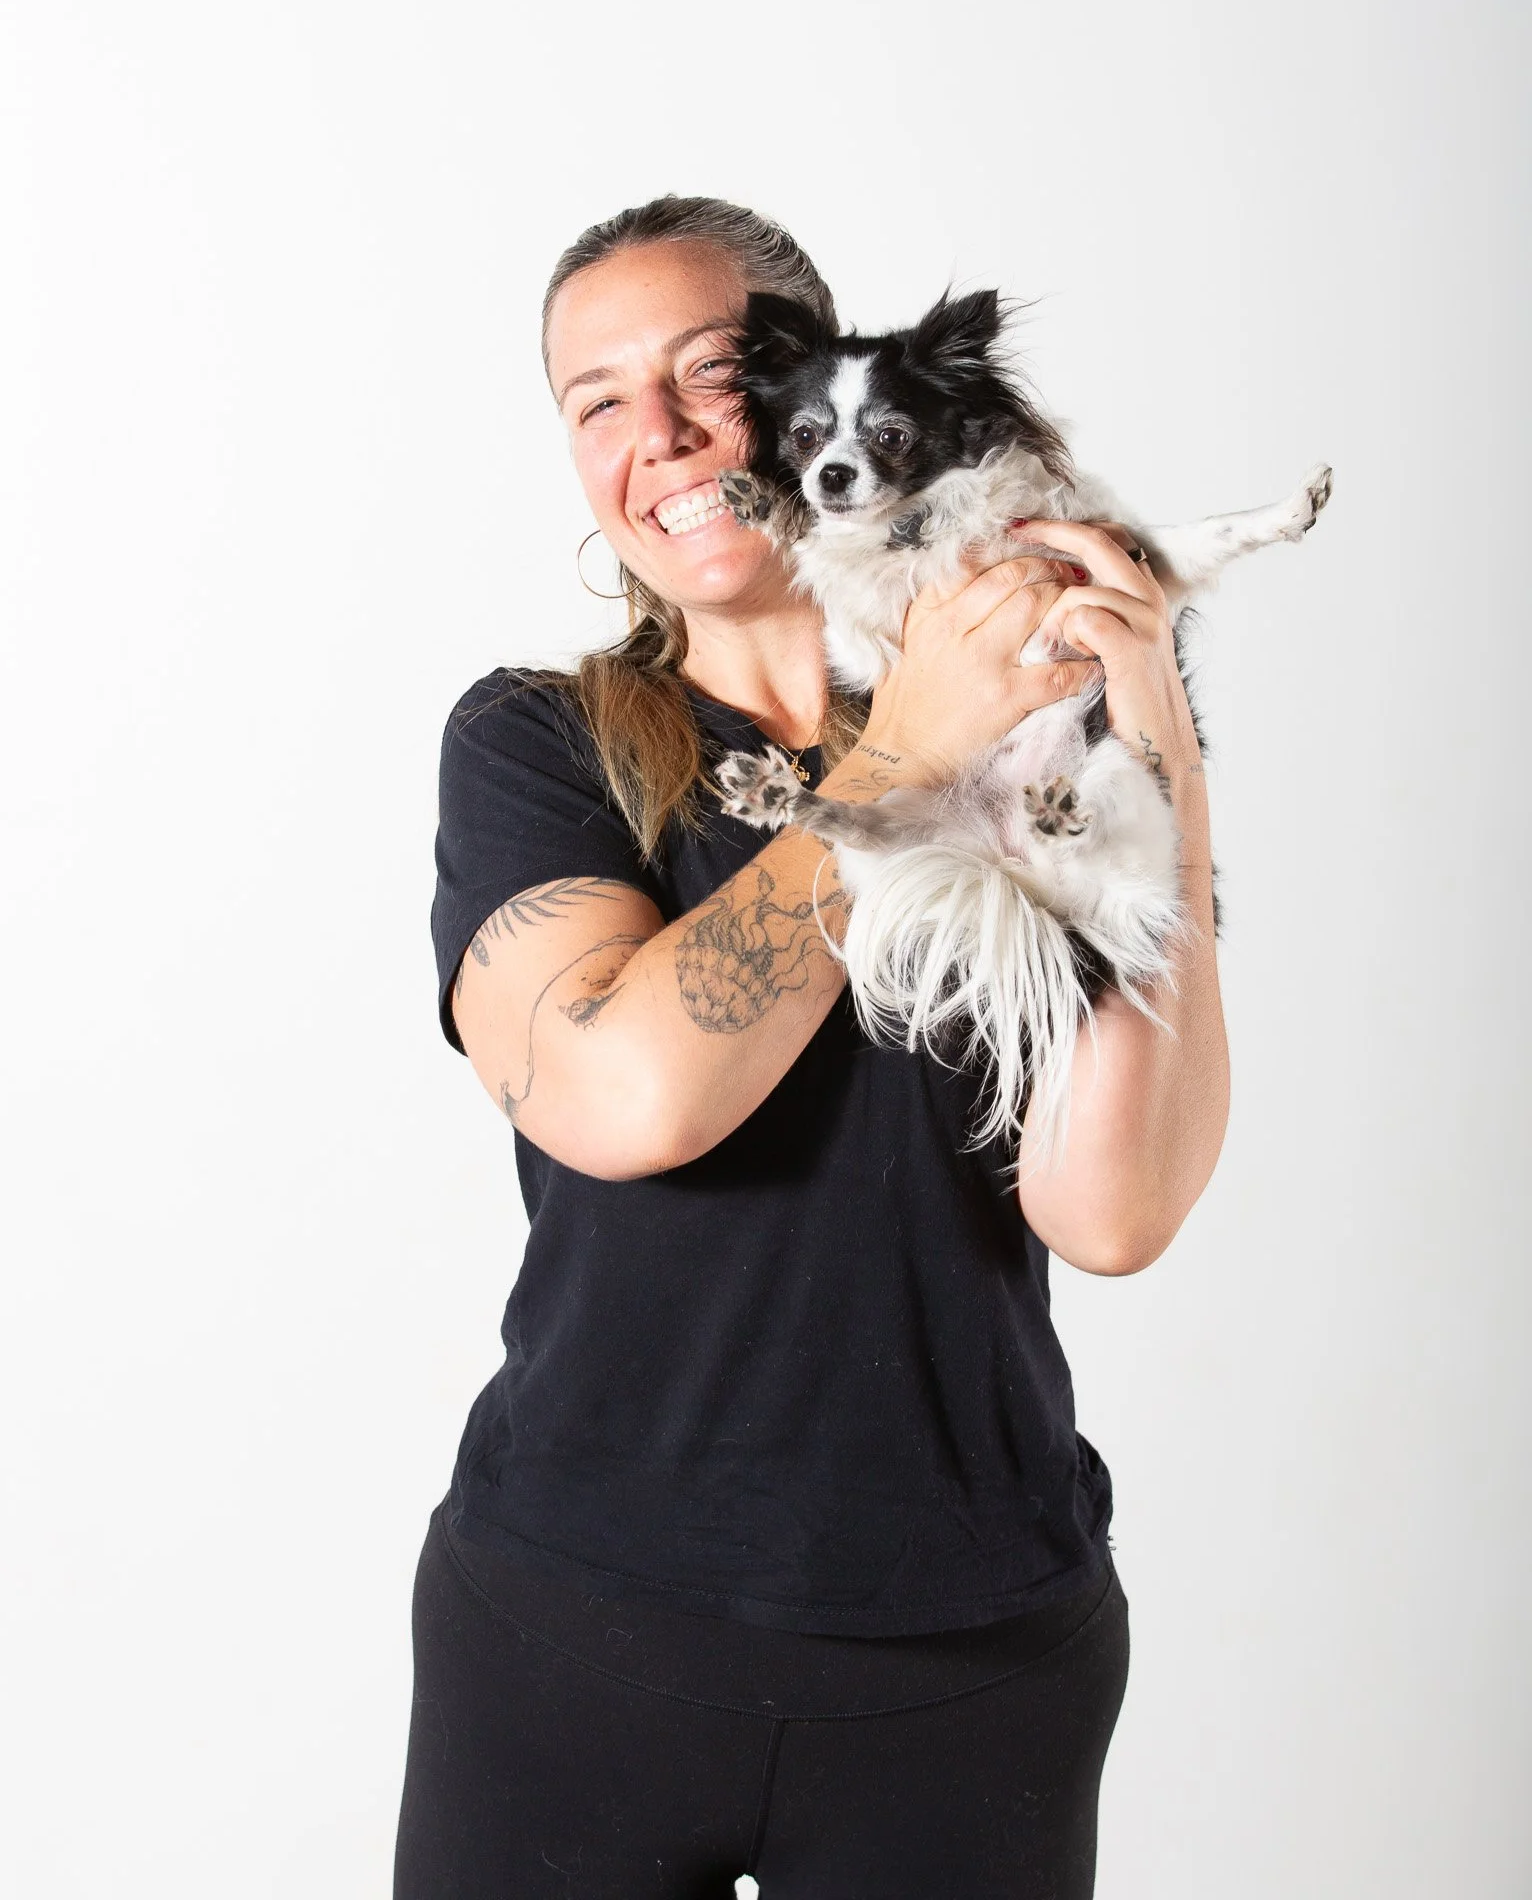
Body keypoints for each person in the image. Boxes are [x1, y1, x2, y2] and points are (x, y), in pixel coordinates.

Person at [393, 195, 1230, 1898]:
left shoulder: (1038, 761)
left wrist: (1159, 737)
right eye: (597, 400)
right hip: (575, 1634)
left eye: (711, 374)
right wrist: (897, 754)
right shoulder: (534, 745)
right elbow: (629, 1101)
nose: (665, 440)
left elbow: (1114, 1212)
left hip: (971, 1656)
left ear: (816, 393)